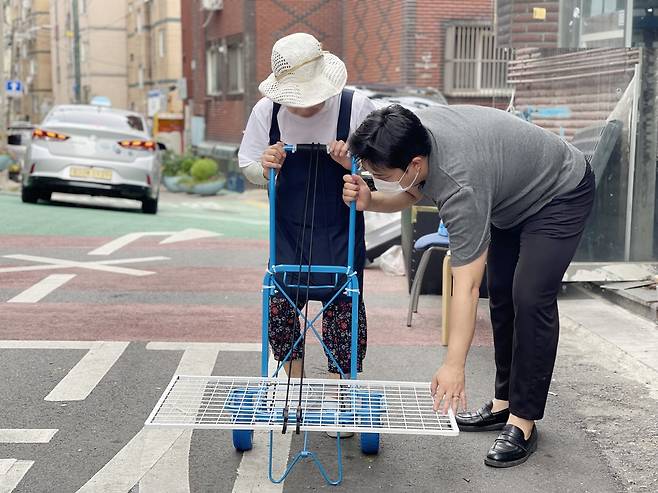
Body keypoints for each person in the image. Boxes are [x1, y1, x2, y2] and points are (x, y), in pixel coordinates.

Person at [343, 104, 595, 466]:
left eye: (379, 172)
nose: (371, 175)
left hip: (559, 192)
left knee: (529, 296)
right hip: (510, 198)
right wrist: (373, 201)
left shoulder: (462, 183)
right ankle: (504, 404)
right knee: (503, 293)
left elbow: (466, 285)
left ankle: (523, 421)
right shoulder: (414, 134)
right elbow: (418, 189)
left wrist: (453, 365)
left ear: (414, 163)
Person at [238, 33, 376, 415]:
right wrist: (264, 165)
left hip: (341, 226)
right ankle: (293, 385)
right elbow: (247, 166)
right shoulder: (266, 113)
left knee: (343, 307)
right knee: (280, 303)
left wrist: (352, 163)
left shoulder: (356, 107)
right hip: (286, 226)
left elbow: (380, 171)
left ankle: (338, 394)